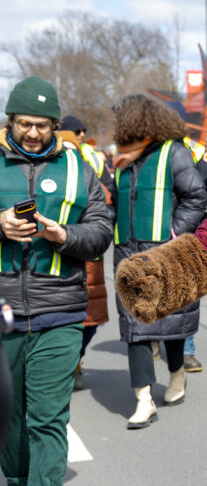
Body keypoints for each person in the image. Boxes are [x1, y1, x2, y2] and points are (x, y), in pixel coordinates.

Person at [0, 77, 113, 486]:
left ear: (55, 125)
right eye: (25, 123)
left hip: (60, 315)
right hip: (4, 316)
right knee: (9, 418)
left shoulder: (80, 169)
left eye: (43, 125)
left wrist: (65, 236)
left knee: (47, 418)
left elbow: (102, 230)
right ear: (11, 120)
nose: (33, 133)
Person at [111, 95, 206, 429]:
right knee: (134, 327)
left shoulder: (174, 153)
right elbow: (113, 206)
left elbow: (197, 198)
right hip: (127, 255)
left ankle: (177, 372)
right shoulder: (121, 162)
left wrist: (173, 234)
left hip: (163, 254)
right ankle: (143, 398)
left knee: (171, 321)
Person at [56, 116, 115, 392]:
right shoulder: (54, 155)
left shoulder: (92, 157)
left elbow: (108, 194)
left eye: (84, 130)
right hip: (58, 248)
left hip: (89, 247)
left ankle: (74, 361)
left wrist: (103, 224)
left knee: (91, 318)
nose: (82, 134)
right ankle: (68, 366)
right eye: (77, 130)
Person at [170, 100, 207, 373]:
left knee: (188, 292)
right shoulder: (150, 153)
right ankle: (161, 341)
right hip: (162, 235)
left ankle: (187, 349)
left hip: (189, 236)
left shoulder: (200, 154)